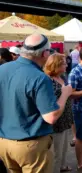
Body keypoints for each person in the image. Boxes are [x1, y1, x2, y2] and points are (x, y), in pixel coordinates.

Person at [0, 34, 72, 173]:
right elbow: (51, 117)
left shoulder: (3, 69)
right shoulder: (39, 77)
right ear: (45, 53)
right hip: (30, 145)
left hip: (4, 142)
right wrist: (65, 93)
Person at [44, 53, 73, 173]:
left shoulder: (63, 77)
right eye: (64, 63)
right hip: (55, 122)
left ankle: (63, 166)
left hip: (65, 119)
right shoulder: (47, 80)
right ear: (56, 65)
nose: (67, 65)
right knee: (55, 151)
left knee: (64, 148)